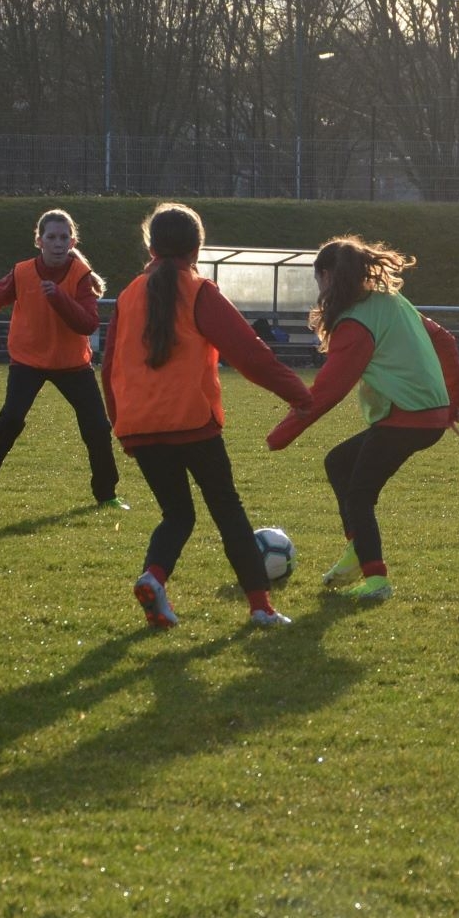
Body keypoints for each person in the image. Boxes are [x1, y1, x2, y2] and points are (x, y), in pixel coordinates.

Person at [102, 203, 313, 630]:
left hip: (140, 426)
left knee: (177, 514)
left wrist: (121, 426)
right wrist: (300, 395)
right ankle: (260, 607)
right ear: (197, 249)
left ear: (151, 247)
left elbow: (108, 370)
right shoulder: (199, 291)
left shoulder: (127, 296)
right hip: (192, 423)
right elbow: (249, 353)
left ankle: (153, 578)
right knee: (227, 510)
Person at [266, 234, 459, 604]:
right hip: (426, 416)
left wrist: (280, 435)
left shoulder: (356, 322)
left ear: (327, 276)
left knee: (359, 495)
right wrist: (453, 405)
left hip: (405, 418)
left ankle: (376, 578)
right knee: (339, 463)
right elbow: (446, 342)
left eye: (317, 279)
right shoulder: (393, 301)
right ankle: (357, 552)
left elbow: (328, 390)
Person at [0, 208, 127, 511]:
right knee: (10, 420)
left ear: (72, 241)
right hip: (28, 362)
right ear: (39, 241)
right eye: (52, 237)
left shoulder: (81, 277)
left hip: (72, 364)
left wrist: (58, 297)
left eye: (64, 237)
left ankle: (107, 495)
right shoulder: (22, 272)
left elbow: (88, 324)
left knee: (97, 427)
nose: (58, 243)